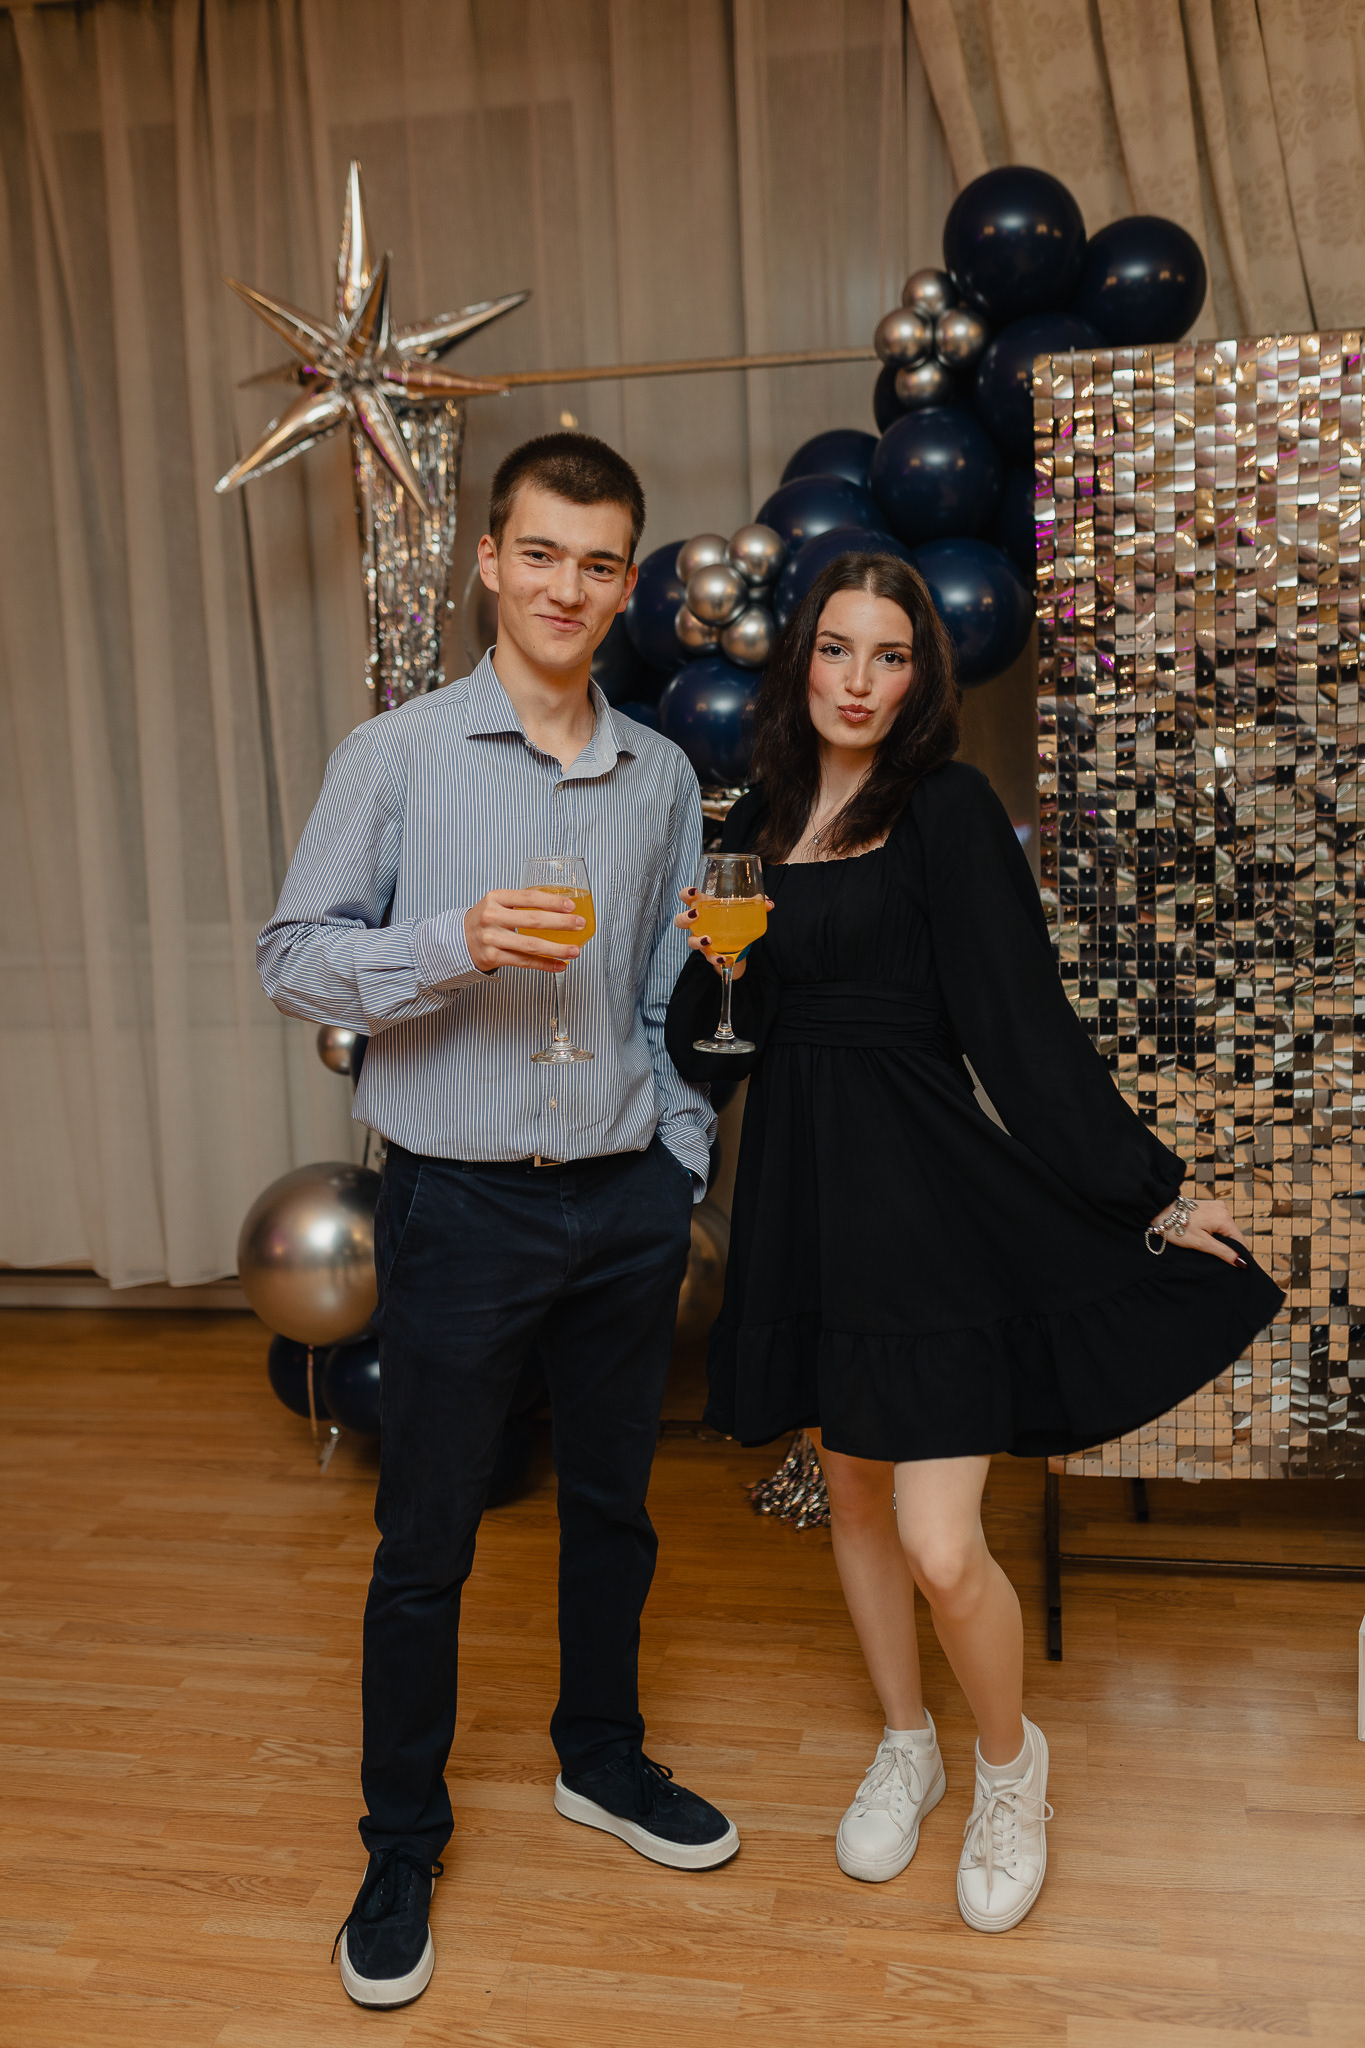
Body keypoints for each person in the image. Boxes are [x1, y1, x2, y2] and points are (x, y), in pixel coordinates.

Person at [665, 553, 1282, 1934]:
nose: (858, 682)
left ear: (920, 677)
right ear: (801, 662)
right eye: (837, 650)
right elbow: (719, 1046)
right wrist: (718, 974)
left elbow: (1020, 1026)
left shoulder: (942, 808)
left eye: (890, 656)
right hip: (802, 1193)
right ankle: (909, 1741)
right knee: (853, 1501)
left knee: (942, 1543)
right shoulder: (759, 816)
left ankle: (1010, 1767)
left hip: (927, 1195)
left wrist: (1150, 1195)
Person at [258, 433, 738, 2013]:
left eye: (597, 564)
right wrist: (451, 942)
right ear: (487, 560)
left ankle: (600, 1758)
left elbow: (668, 992)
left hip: (624, 1199)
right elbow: (291, 959)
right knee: (427, 1542)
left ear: (624, 582)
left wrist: (674, 1157)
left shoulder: (658, 774)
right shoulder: (395, 755)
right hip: (459, 1203)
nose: (565, 588)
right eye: (539, 553)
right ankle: (401, 1842)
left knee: (614, 1508)